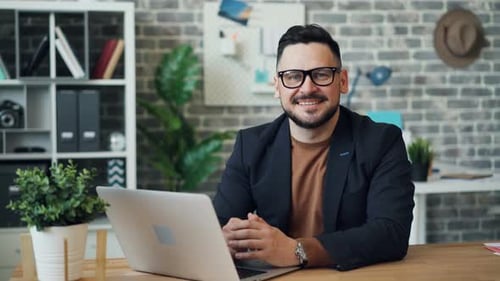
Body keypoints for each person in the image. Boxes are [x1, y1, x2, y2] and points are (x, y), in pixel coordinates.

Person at [213, 24, 415, 271]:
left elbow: (391, 233)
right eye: (293, 76)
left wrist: (297, 251)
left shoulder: (381, 141)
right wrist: (224, 239)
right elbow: (220, 225)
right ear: (277, 86)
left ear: (342, 81)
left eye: (320, 74)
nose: (307, 88)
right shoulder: (250, 145)